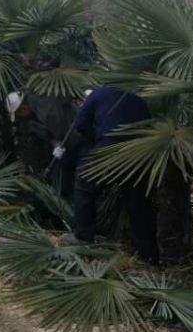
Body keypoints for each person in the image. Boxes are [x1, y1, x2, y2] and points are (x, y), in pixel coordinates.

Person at [58, 86, 159, 264]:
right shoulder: (138, 99)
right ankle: (148, 253)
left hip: (109, 146)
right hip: (139, 152)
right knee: (138, 201)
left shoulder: (96, 94)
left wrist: (95, 139)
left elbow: (81, 125)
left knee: (84, 185)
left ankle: (83, 237)